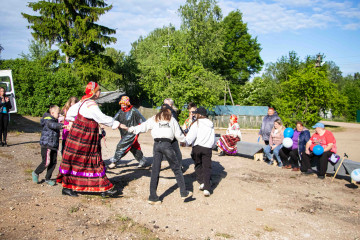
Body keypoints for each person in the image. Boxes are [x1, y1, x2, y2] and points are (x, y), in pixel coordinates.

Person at [56, 82, 120, 197]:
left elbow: (70, 113)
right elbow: (101, 117)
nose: (100, 92)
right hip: (84, 137)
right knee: (89, 160)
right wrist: (115, 123)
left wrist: (71, 122)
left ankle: (100, 187)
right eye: (99, 90)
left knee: (77, 160)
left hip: (82, 136)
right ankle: (101, 188)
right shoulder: (90, 104)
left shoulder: (83, 101)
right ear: (95, 92)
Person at [121, 104, 192, 204]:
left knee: (155, 170)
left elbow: (143, 127)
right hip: (167, 144)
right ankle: (183, 192)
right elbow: (178, 135)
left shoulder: (154, 118)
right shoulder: (171, 119)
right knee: (176, 168)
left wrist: (130, 129)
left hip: (157, 145)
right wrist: (186, 141)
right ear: (168, 110)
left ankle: (153, 196)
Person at [108, 96, 147, 169]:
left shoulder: (133, 110)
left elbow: (143, 120)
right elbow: (113, 121)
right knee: (133, 147)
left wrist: (139, 129)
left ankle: (114, 162)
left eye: (124, 103)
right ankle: (142, 161)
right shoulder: (120, 111)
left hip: (132, 132)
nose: (123, 105)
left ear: (127, 104)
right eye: (122, 103)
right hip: (124, 133)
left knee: (121, 146)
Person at [185, 107, 215, 197]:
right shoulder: (211, 124)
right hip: (207, 148)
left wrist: (186, 143)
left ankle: (201, 181)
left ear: (199, 114)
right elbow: (213, 137)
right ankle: (207, 188)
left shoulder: (196, 123)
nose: (194, 114)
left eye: (196, 113)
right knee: (207, 167)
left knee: (198, 165)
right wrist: (211, 146)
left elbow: (191, 136)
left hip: (197, 147)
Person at [32, 105, 66, 186]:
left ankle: (48, 178)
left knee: (53, 162)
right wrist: (62, 126)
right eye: (58, 113)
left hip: (53, 145)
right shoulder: (48, 120)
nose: (59, 115)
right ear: (52, 112)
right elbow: (53, 125)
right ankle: (36, 173)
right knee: (46, 162)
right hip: (47, 145)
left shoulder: (54, 120)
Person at [163, 98, 183, 169]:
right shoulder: (163, 112)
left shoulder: (172, 112)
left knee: (176, 150)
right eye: (164, 103)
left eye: (166, 104)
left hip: (172, 134)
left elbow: (176, 124)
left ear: (170, 105)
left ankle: (179, 166)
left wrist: (181, 133)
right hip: (165, 134)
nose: (164, 105)